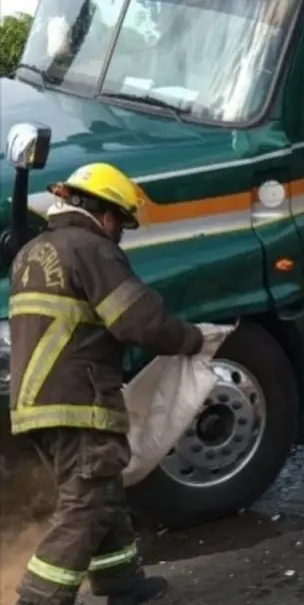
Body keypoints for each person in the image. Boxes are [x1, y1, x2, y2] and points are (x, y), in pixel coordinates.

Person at [9, 163, 206, 605]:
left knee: (102, 490)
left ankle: (121, 582)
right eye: (121, 225)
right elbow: (138, 320)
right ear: (109, 215)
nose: (119, 235)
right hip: (78, 398)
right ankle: (37, 600)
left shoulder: (32, 253)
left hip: (36, 402)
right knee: (85, 504)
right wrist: (191, 339)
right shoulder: (92, 249)